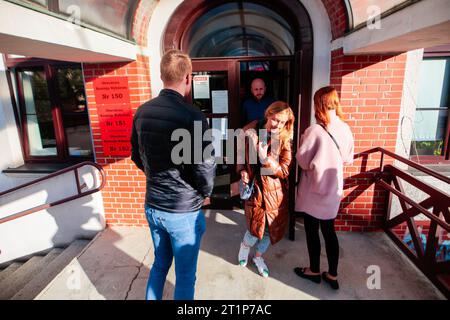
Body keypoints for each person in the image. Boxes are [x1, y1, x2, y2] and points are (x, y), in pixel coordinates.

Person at [131, 49, 216, 300]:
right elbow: (205, 166)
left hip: (153, 206)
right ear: (188, 78)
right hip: (183, 212)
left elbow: (137, 155)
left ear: (161, 76)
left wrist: (156, 177)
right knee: (186, 276)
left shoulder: (142, 111)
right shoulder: (193, 115)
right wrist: (206, 193)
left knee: (159, 265)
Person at [294, 86, 354, 290]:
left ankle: (313, 270)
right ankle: (333, 274)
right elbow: (348, 159)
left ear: (318, 104)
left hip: (314, 189)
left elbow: (302, 161)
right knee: (330, 231)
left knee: (312, 230)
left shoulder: (314, 131)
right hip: (333, 188)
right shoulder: (345, 128)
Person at [236, 101, 295, 278]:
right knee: (254, 229)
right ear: (268, 114)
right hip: (255, 190)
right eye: (275, 119)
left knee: (271, 230)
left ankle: (258, 256)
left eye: (283, 122)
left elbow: (285, 170)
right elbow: (239, 151)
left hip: (275, 194)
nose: (278, 125)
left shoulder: (284, 139)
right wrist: (242, 170)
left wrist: (266, 159)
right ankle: (244, 248)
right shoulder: (251, 129)